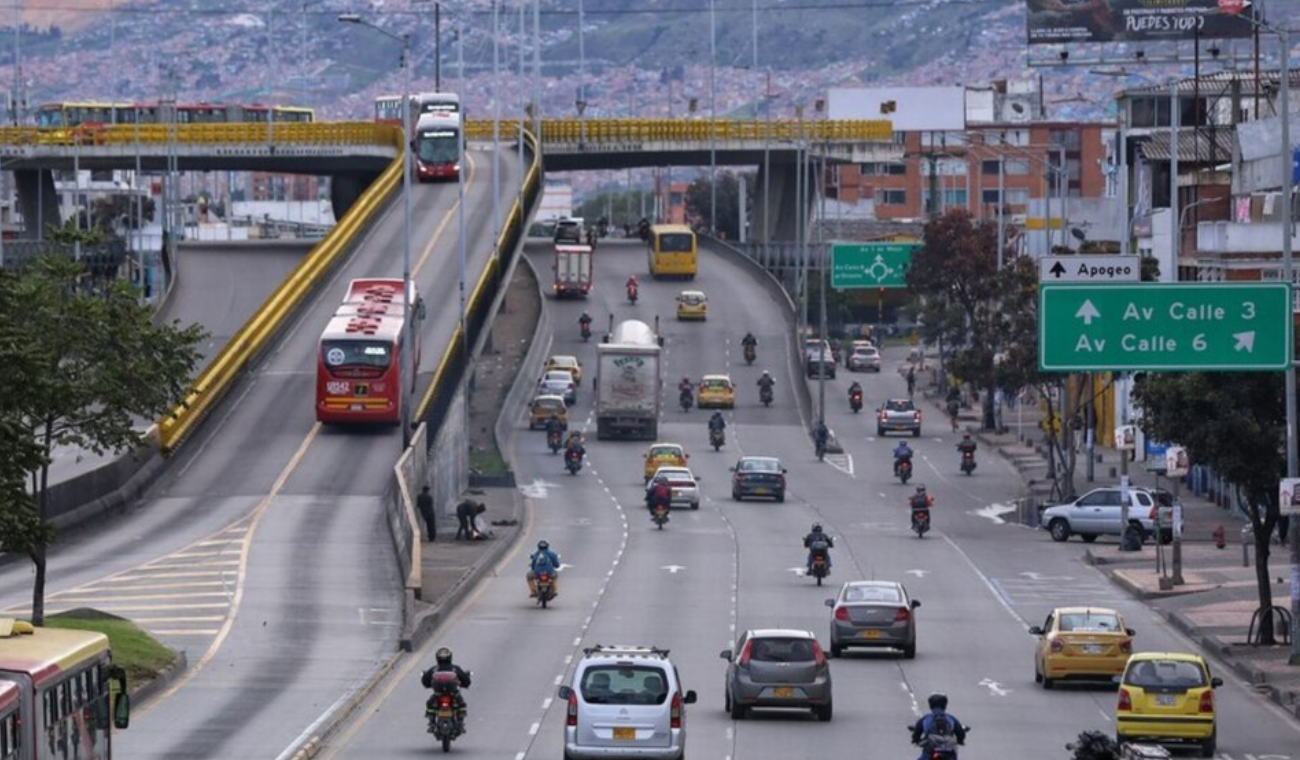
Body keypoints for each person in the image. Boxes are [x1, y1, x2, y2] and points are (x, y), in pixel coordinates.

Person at [422, 647, 472, 729]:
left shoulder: (434, 669)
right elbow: (466, 681)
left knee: (430, 704)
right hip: (453, 694)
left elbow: (425, 681)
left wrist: (428, 684)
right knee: (461, 704)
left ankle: (431, 722)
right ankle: (460, 721)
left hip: (439, 694)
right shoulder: (455, 668)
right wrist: (465, 684)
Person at [910, 693, 966, 759]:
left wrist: (915, 740)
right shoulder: (951, 718)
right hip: (949, 750)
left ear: (930, 705)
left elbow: (917, 731)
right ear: (945, 705)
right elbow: (960, 732)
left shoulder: (926, 718)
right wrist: (960, 740)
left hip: (930, 749)